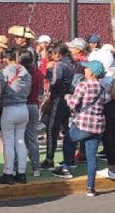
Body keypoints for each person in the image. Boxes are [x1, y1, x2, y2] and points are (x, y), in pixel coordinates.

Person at [58, 60, 110, 196]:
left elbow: (73, 104)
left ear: (92, 73)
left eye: (87, 69)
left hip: (84, 124)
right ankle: (90, 188)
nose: (84, 70)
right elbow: (106, 101)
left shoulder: (83, 85)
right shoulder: (102, 87)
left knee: (68, 140)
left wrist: (67, 97)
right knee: (91, 156)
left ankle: (67, 167)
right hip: (98, 125)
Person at [0, 49, 32, 185]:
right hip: (23, 108)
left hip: (9, 109)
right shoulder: (26, 73)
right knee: (20, 141)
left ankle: (8, 173)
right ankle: (21, 173)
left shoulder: (3, 73)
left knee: (8, 143)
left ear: (5, 59)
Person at [43, 42, 75, 170]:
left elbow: (54, 82)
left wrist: (49, 71)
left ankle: (49, 159)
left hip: (58, 98)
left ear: (58, 54)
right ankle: (70, 158)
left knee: (51, 129)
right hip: (69, 98)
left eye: (52, 53)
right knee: (67, 129)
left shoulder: (59, 65)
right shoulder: (72, 63)